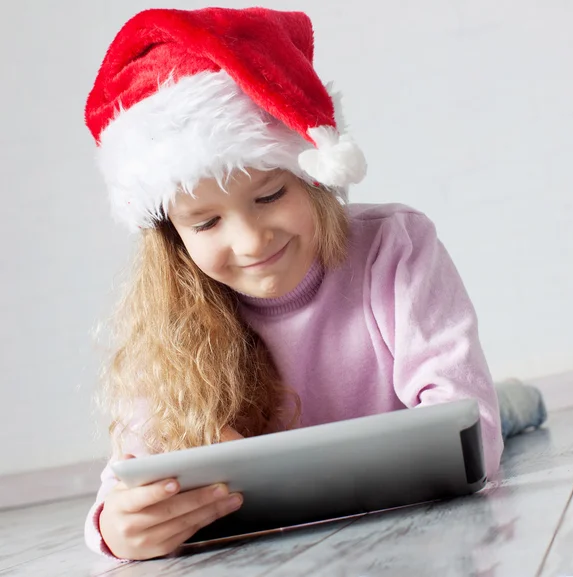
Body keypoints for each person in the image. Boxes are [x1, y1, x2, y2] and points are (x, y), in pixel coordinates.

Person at [82, 6, 541, 562]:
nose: (251, 242)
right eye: (206, 223)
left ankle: (518, 398)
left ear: (313, 178)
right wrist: (113, 528)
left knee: (503, 413)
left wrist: (484, 422)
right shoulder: (173, 317)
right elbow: (126, 483)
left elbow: (469, 430)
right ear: (175, 239)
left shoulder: (394, 246)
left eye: (271, 195)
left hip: (420, 421)